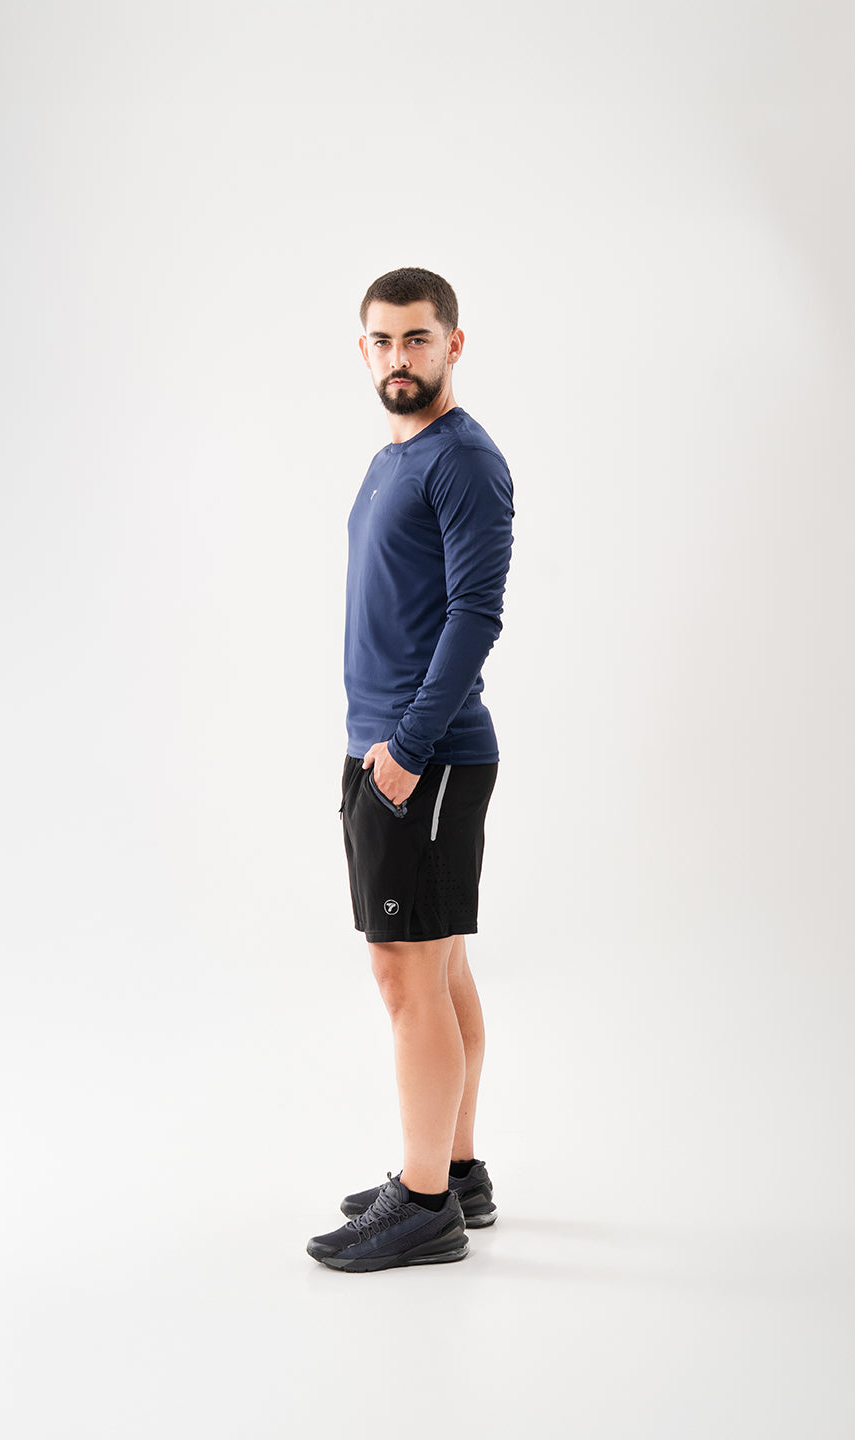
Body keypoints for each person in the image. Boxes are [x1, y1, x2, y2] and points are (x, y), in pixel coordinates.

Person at [306, 268, 515, 1273]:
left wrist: (407, 749)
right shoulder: (396, 457)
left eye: (418, 338)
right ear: (365, 351)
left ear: (452, 344)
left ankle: (424, 1202)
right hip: (389, 750)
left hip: (420, 756)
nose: (400, 357)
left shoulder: (463, 460)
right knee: (440, 965)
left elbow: (477, 615)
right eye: (384, 341)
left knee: (404, 975)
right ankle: (457, 1170)